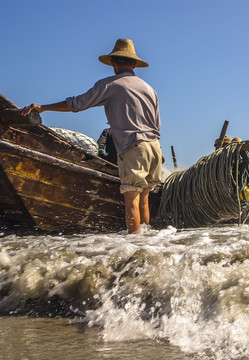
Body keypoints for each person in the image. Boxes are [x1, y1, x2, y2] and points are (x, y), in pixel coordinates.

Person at [21, 39, 162, 234]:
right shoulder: (149, 89)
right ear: (134, 64)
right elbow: (155, 124)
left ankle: (136, 247)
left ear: (113, 63)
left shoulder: (110, 85)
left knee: (132, 197)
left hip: (133, 147)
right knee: (145, 198)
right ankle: (151, 244)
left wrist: (43, 107)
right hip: (154, 147)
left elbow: (77, 104)